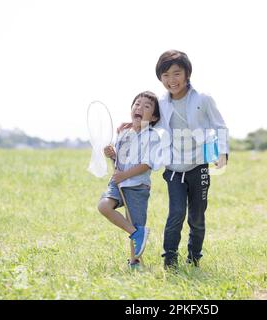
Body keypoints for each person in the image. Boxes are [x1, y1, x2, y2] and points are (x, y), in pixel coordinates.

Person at [155, 50, 229, 269]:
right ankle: (169, 259)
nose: (171, 80)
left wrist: (222, 152)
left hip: (199, 166)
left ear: (187, 74)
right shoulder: (160, 102)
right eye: (166, 75)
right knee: (176, 213)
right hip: (174, 169)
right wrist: (132, 125)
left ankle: (194, 257)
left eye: (176, 73)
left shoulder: (203, 99)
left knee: (196, 216)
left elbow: (219, 125)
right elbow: (148, 122)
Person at [97, 91, 162, 270]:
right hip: (118, 183)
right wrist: (111, 155)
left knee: (135, 221)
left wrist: (124, 176)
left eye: (146, 106)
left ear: (154, 116)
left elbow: (147, 164)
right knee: (104, 206)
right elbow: (119, 161)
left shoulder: (152, 136)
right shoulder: (124, 133)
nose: (139, 107)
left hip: (137, 186)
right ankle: (135, 233)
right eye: (137, 104)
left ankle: (135, 262)